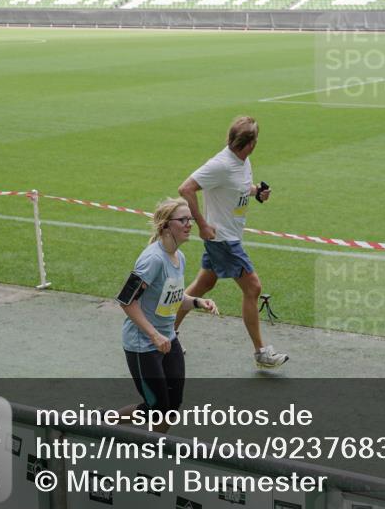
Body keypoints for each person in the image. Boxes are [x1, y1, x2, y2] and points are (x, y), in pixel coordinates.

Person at [175, 116, 288, 369]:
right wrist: (202, 224)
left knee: (203, 284)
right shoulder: (220, 164)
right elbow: (186, 189)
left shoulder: (243, 161)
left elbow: (239, 186)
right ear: (250, 143)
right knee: (253, 288)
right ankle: (261, 352)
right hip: (223, 240)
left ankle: (166, 333)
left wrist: (257, 191)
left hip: (229, 236)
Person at [116, 197, 218, 433]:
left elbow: (172, 296)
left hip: (168, 340)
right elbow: (126, 301)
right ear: (165, 225)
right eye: (183, 220)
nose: (189, 224)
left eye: (190, 219)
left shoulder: (178, 258)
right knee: (157, 407)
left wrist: (197, 302)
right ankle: (101, 421)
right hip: (143, 345)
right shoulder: (152, 260)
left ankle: (153, 452)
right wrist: (153, 336)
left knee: (172, 405)